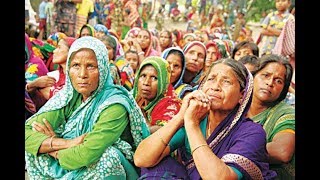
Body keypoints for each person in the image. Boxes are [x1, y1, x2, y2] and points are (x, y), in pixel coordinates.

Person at [25, 36, 150, 179]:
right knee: (33, 149)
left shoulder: (115, 104)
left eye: (91, 66)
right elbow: (27, 131)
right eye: (76, 65)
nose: (82, 74)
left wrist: (50, 149)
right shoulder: (69, 96)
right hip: (70, 161)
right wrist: (65, 143)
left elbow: (86, 154)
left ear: (102, 69)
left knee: (107, 157)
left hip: (111, 170)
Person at [134, 58, 277, 179]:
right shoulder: (198, 121)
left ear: (242, 95)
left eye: (226, 81)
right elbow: (141, 159)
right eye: (211, 79)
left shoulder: (252, 133)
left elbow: (219, 177)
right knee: (157, 165)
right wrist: (180, 116)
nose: (215, 87)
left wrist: (191, 125)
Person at [246, 54, 295, 179]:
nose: (270, 83)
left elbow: (282, 151)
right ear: (253, 76)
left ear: (283, 89)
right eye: (265, 75)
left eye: (278, 81)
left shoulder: (286, 113)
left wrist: (235, 149)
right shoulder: (236, 106)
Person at [132, 56, 181, 134]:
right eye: (143, 76)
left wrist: (141, 120)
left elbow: (163, 131)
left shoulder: (171, 105)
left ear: (163, 81)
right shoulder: (136, 97)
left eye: (154, 78)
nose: (146, 82)